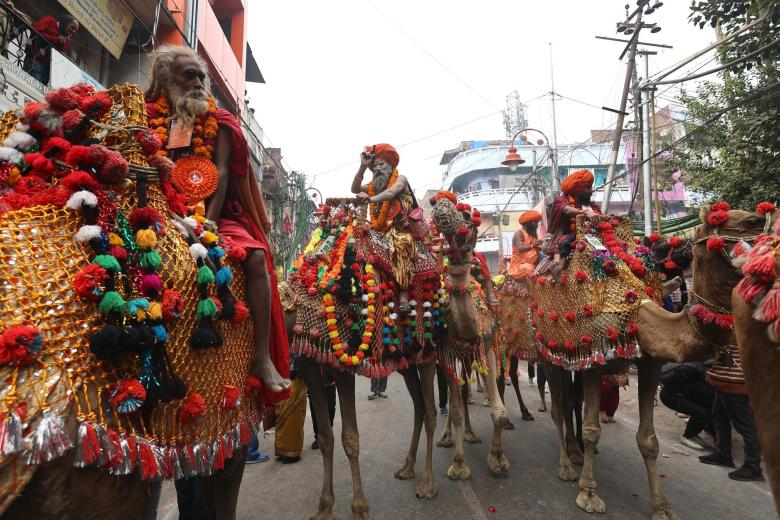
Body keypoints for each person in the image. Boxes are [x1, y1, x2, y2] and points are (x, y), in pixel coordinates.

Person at [145, 46, 290, 401]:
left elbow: (223, 173)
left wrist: (206, 219)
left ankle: (260, 359)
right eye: (188, 75)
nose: (197, 83)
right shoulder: (148, 116)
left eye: (201, 76)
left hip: (214, 212)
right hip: (155, 205)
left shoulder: (219, 121)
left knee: (255, 257)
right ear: (166, 80)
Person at [352, 143, 417, 314]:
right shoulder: (374, 185)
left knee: (402, 243)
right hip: (378, 229)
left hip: (400, 230)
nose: (378, 169)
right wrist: (362, 167)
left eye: (382, 165)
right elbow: (354, 189)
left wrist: (370, 200)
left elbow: (391, 192)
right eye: (375, 166)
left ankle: (403, 293)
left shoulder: (400, 179)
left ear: (391, 166)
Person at [699, 345, 764, 481]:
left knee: (746, 426)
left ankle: (753, 467)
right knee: (718, 416)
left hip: (737, 381)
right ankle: (723, 454)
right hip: (723, 377)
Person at [545, 169, 602, 273]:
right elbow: (566, 209)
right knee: (567, 241)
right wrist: (584, 212)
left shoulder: (590, 205)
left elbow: (599, 215)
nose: (591, 191)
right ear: (577, 189)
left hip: (589, 239)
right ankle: (559, 266)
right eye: (588, 187)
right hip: (562, 240)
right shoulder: (561, 200)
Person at [659, 361, 714, 450]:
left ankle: (693, 434)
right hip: (670, 396)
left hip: (678, 393)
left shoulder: (705, 374)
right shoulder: (707, 382)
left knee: (704, 412)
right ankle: (687, 436)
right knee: (702, 413)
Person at [23, 14, 78, 83]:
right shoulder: (50, 20)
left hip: (48, 73)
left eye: (75, 30)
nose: (73, 31)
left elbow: (59, 55)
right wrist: (57, 39)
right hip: (34, 61)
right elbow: (35, 30)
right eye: (72, 27)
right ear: (65, 22)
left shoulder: (66, 39)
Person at [274, 354, 307, 464]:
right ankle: (281, 450)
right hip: (282, 376)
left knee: (293, 415)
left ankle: (292, 453)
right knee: (282, 410)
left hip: (297, 379)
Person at [507, 210, 543, 281]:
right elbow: (520, 249)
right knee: (529, 268)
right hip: (518, 266)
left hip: (533, 264)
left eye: (537, 222)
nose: (537, 225)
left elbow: (536, 251)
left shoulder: (533, 235)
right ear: (528, 223)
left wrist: (542, 245)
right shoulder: (519, 233)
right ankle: (531, 292)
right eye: (535, 222)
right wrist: (533, 246)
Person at [309, 365, 337, 449]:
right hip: (313, 385)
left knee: (330, 408)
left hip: (330, 383)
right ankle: (318, 436)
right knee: (315, 411)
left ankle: (328, 432)